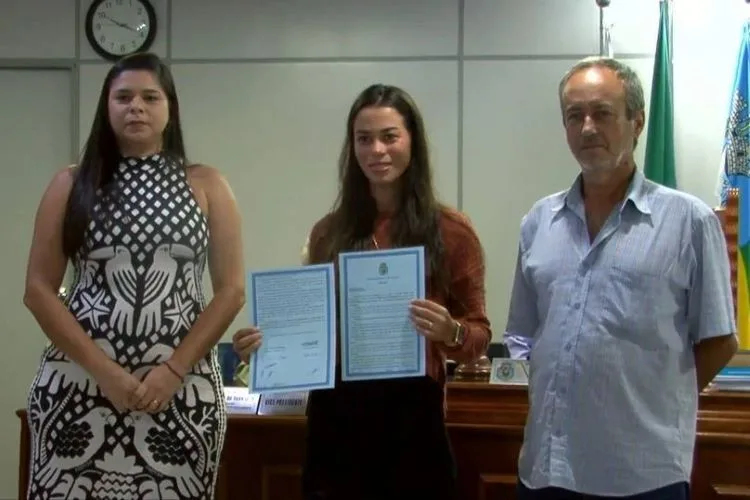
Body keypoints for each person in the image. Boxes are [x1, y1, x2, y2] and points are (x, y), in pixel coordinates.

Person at [232, 83, 492, 500]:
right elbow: (313, 329)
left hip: (413, 425)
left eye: (390, 136)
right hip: (336, 423)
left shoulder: (452, 231)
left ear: (413, 142)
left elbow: (479, 334)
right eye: (364, 139)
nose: (377, 150)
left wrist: (450, 332)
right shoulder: (328, 234)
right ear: (352, 148)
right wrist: (267, 348)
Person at [505, 56, 738, 500]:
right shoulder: (539, 220)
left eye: (603, 113)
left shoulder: (688, 221)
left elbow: (719, 339)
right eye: (575, 116)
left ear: (637, 121)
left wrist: (653, 396)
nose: (588, 127)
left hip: (640, 474)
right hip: (545, 468)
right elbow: (523, 333)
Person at [23, 52, 245, 499]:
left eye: (149, 97)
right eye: (123, 97)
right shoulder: (70, 184)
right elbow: (38, 291)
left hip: (180, 391)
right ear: (106, 107)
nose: (136, 107)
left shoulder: (207, 185)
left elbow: (231, 290)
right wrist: (106, 373)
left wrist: (172, 370)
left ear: (170, 108)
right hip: (80, 386)